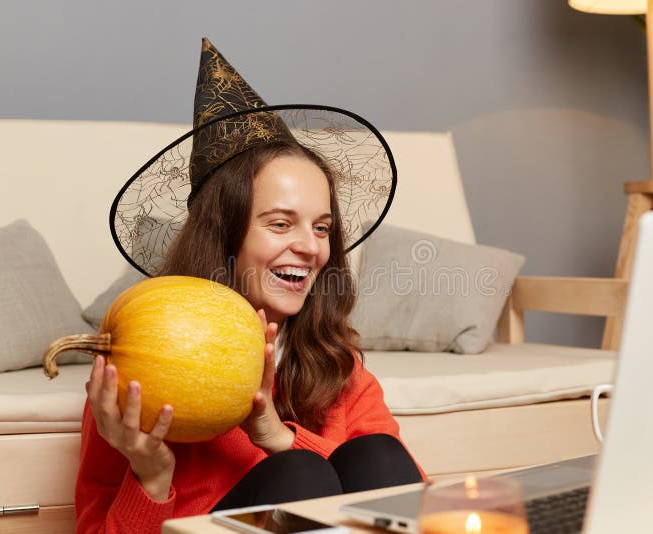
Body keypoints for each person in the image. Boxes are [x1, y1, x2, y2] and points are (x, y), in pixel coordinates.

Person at [75, 39, 422, 533]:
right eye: (281, 224)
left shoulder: (335, 363)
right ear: (226, 236)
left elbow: (409, 494)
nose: (310, 247)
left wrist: (275, 434)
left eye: (321, 228)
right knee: (301, 473)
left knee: (374, 452)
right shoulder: (138, 364)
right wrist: (151, 475)